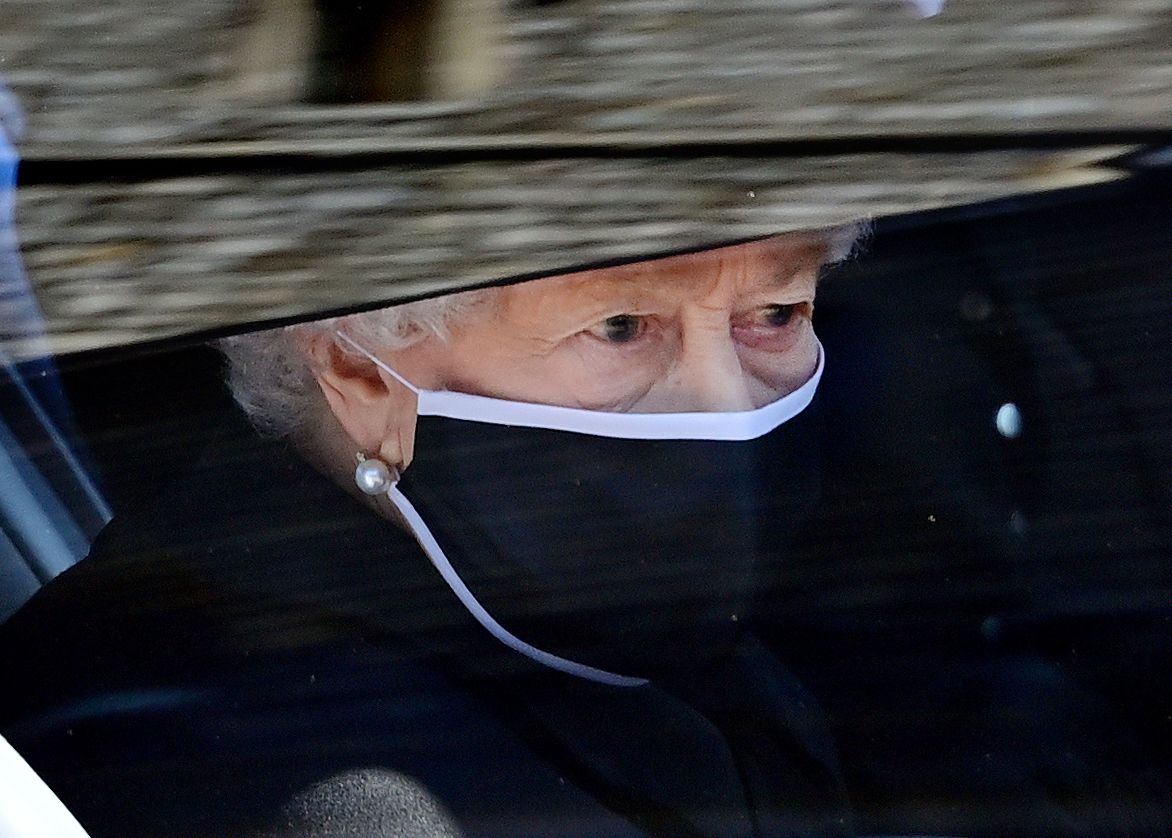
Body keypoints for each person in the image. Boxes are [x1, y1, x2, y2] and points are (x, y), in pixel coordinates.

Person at [0, 230, 860, 837]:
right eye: (620, 326)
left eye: (777, 311)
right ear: (349, 366)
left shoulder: (616, 635)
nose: (725, 408)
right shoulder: (260, 781)